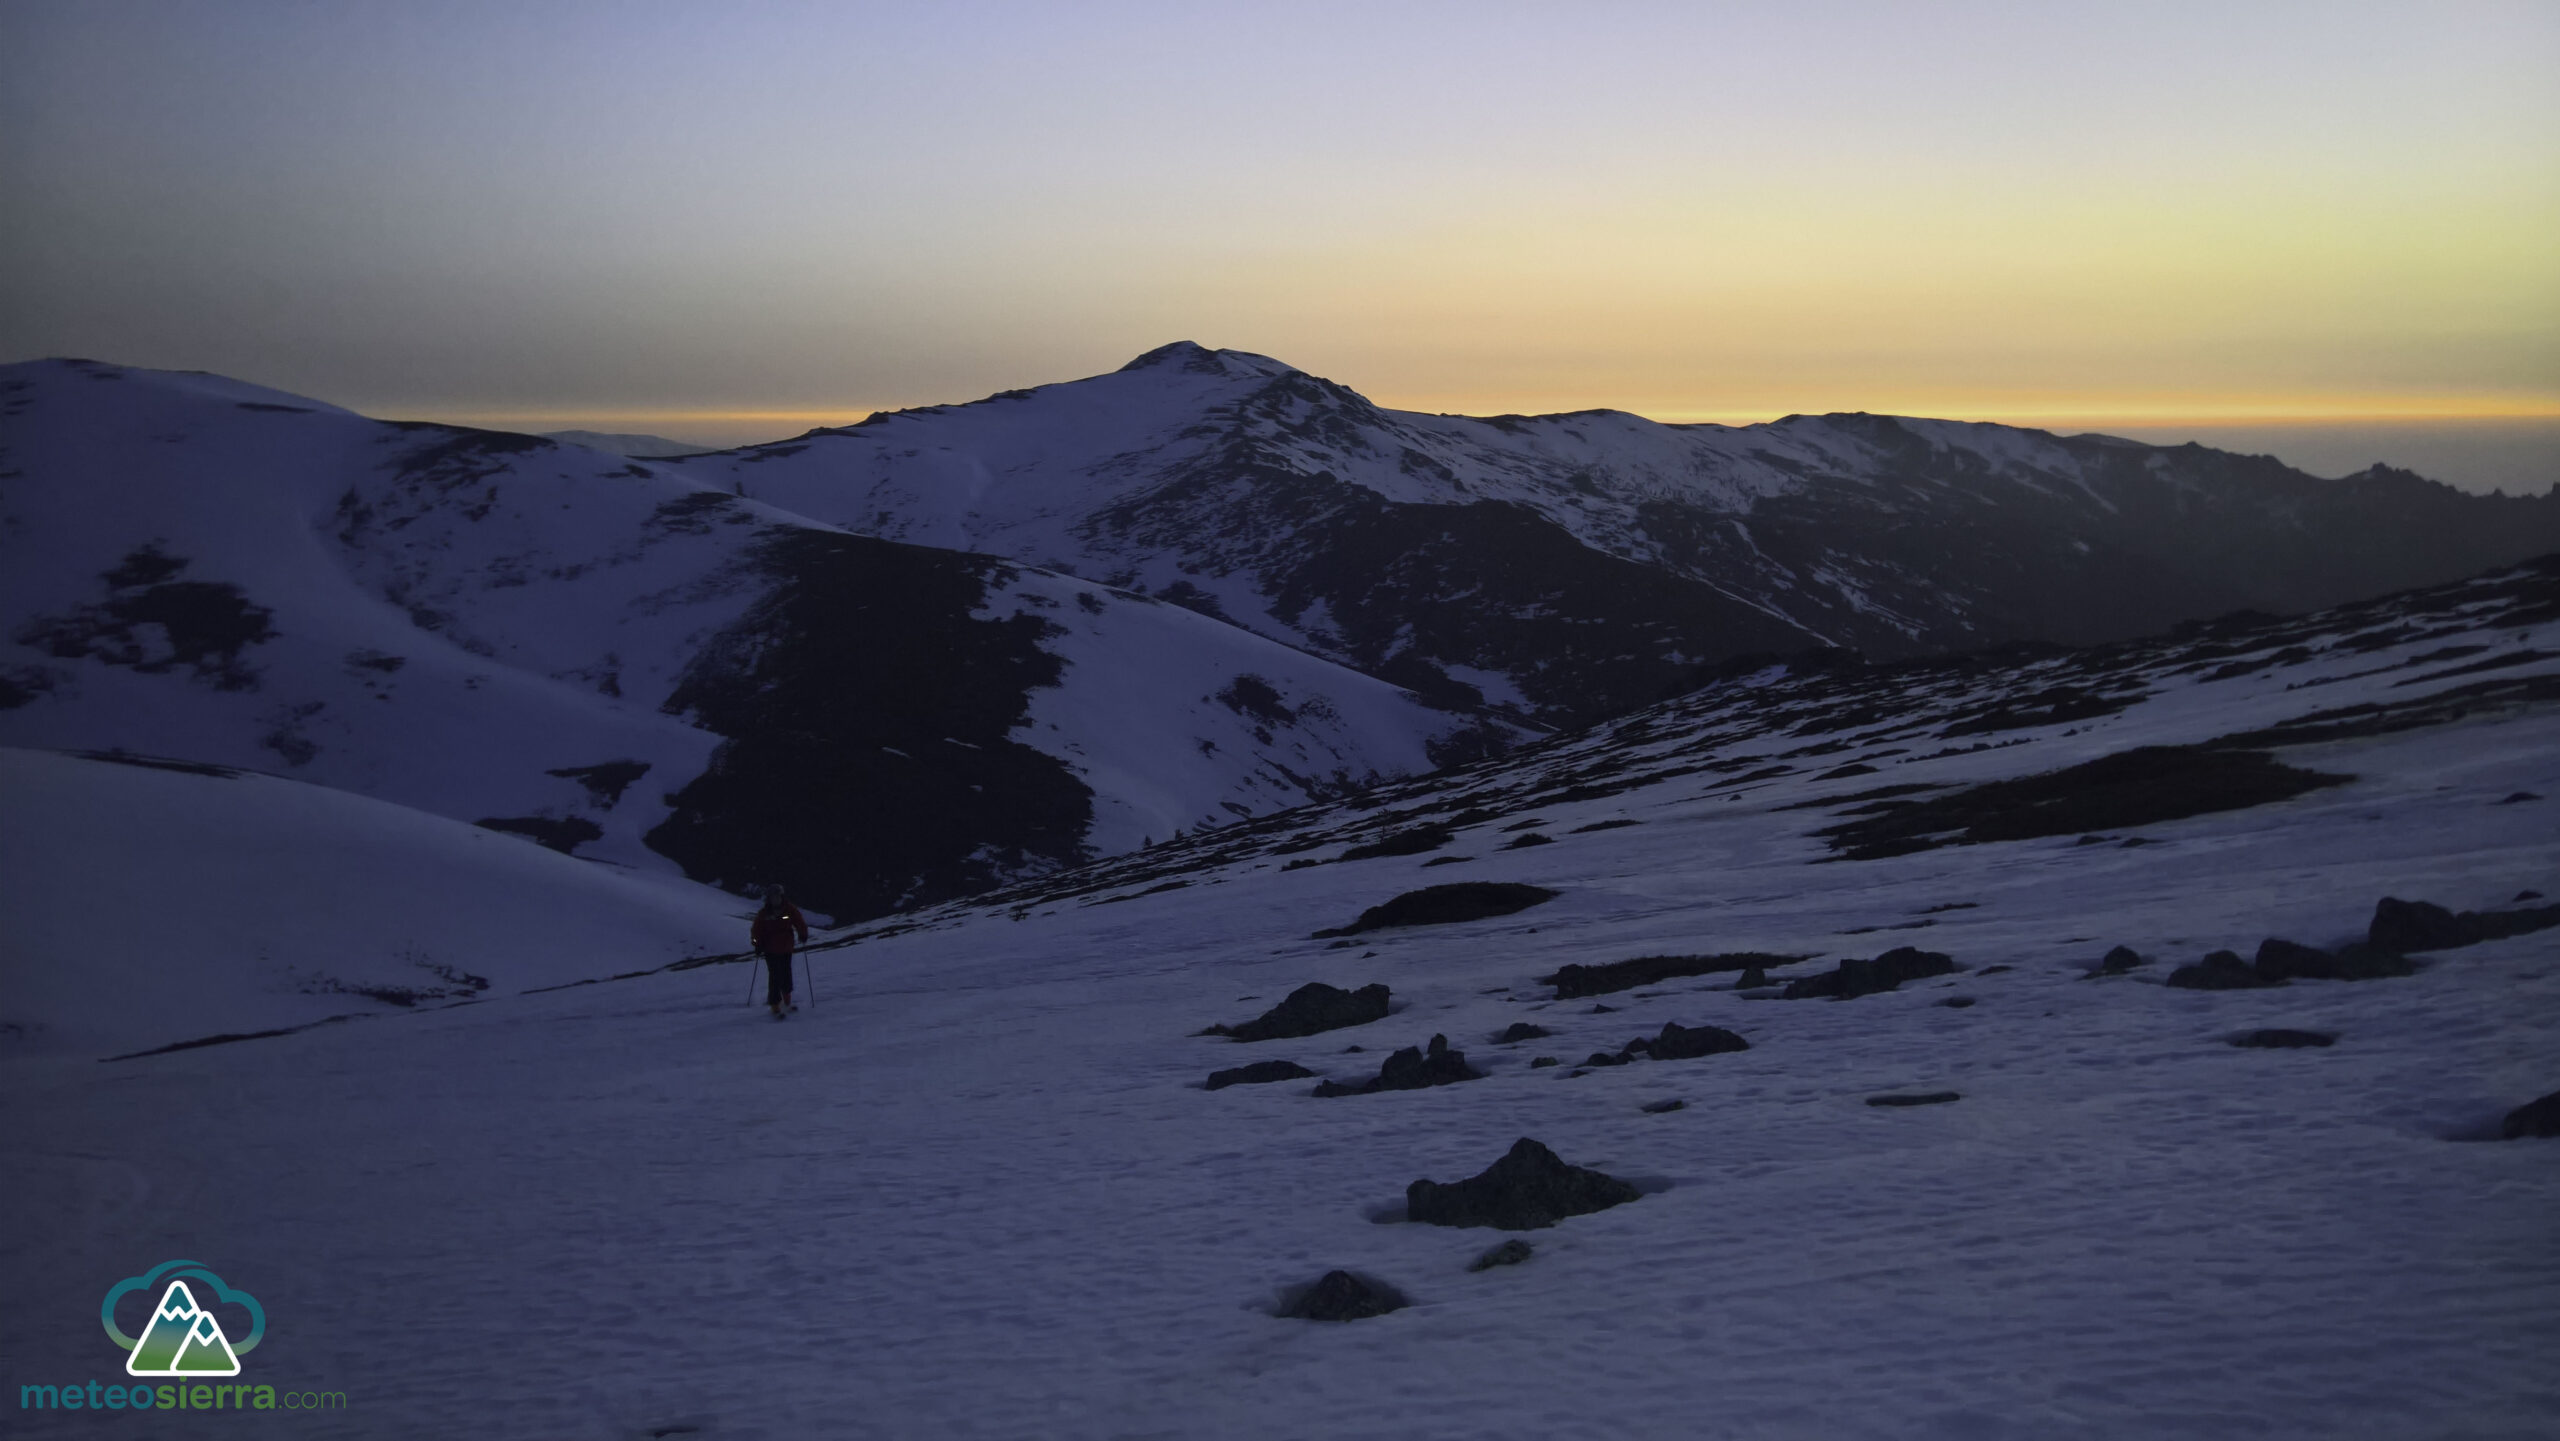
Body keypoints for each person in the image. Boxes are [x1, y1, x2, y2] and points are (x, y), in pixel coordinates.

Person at [751, 885, 809, 1019]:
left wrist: (803, 934)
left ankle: (787, 1001)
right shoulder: (764, 913)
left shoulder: (789, 909)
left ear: (781, 897)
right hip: (770, 949)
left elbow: (799, 922)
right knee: (775, 975)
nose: (775, 899)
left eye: (777, 897)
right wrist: (756, 944)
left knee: (786, 974)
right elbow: (756, 930)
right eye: (772, 897)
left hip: (786, 948)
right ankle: (775, 1004)